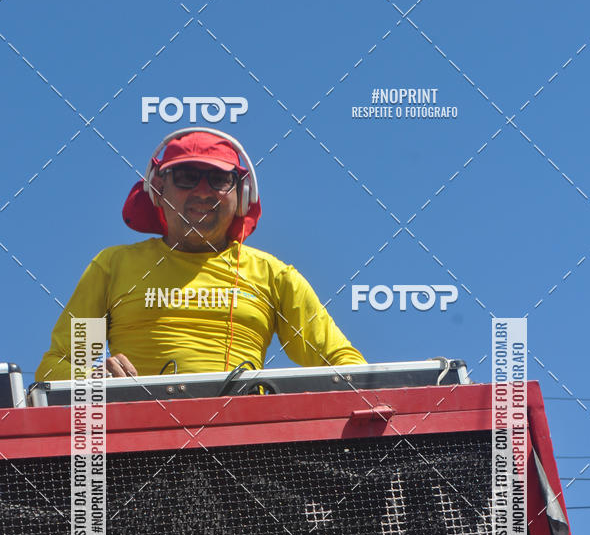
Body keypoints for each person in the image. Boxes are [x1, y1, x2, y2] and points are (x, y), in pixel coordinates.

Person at [35, 128, 366, 381]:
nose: (203, 192)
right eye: (187, 177)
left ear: (242, 194)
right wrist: (94, 379)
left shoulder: (274, 276)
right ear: (158, 189)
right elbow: (59, 365)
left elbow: (342, 362)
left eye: (219, 179)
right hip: (138, 450)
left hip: (247, 449)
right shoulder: (113, 267)